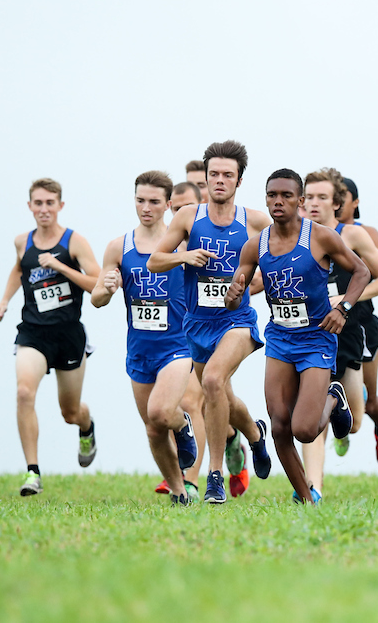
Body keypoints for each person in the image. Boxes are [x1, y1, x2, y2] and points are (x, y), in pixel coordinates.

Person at [227, 169, 371, 503]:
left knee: (304, 430)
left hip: (317, 337)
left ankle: (334, 397)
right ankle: (306, 500)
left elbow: (362, 271)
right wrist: (233, 294)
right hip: (280, 338)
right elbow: (235, 294)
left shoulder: (320, 237)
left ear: (300, 201)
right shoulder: (255, 244)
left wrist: (344, 308)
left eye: (287, 195)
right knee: (279, 426)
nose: (278, 202)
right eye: (272, 195)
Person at [149, 140, 272, 504]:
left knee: (214, 382)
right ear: (205, 177)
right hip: (197, 324)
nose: (220, 180)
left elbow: (281, 262)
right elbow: (155, 259)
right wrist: (183, 256)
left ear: (239, 180)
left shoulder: (255, 221)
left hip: (237, 321)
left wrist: (248, 288)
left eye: (227, 175)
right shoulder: (188, 217)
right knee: (223, 396)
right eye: (214, 174)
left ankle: (214, 476)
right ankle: (254, 435)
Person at [90, 171, 199, 505]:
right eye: (140, 200)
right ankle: (179, 492)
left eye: (154, 201)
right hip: (139, 350)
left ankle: (184, 427)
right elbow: (96, 297)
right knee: (153, 428)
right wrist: (106, 289)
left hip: (178, 346)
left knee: (162, 411)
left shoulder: (181, 244)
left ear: (168, 204)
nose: (146, 207)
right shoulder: (118, 247)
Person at [0, 178, 101, 496]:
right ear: (30, 206)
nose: (43, 209)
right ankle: (32, 473)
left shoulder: (74, 242)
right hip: (33, 333)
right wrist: (4, 301)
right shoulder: (22, 241)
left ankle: (86, 426)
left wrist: (59, 266)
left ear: (60, 206)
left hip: (68, 335)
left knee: (69, 412)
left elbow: (96, 283)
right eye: (37, 203)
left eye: (49, 203)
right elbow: (19, 269)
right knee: (25, 392)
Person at [299, 168, 378, 494]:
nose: (314, 203)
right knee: (308, 414)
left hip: (349, 328)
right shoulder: (293, 234)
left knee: (354, 422)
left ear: (337, 202)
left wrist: (346, 299)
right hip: (307, 334)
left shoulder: (352, 235)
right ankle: (313, 488)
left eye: (322, 197)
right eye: (309, 197)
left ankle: (340, 399)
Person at [151, 180, 212, 498]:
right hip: (154, 345)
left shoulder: (212, 238)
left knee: (191, 402)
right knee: (158, 417)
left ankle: (190, 478)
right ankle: (177, 477)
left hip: (198, 335)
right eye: (176, 206)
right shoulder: (162, 244)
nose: (179, 211)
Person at [337, 176, 378, 464]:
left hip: (362, 322)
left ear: (354, 202)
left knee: (370, 402)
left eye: (341, 197)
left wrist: (350, 296)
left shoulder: (364, 233)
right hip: (328, 323)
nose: (333, 204)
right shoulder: (311, 233)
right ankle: (338, 417)